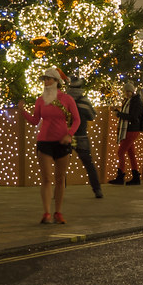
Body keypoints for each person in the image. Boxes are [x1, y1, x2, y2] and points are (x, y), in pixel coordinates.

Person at [20, 66, 79, 224]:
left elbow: (77, 119)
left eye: (49, 79)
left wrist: (69, 134)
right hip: (44, 141)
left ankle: (58, 212)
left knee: (60, 179)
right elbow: (34, 121)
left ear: (56, 81)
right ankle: (46, 212)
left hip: (62, 142)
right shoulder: (41, 100)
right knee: (46, 178)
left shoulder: (67, 99)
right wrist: (23, 111)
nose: (46, 82)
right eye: (44, 79)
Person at [67, 76, 102, 198]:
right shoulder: (84, 101)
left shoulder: (64, 100)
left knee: (62, 165)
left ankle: (59, 190)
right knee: (89, 164)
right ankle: (97, 189)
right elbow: (92, 116)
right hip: (81, 136)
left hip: (66, 136)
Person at [109, 81, 143, 185]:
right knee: (131, 153)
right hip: (129, 130)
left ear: (132, 91)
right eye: (125, 91)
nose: (126, 93)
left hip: (131, 130)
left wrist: (119, 114)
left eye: (128, 91)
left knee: (120, 152)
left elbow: (133, 117)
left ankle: (121, 176)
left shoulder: (135, 102)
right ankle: (135, 176)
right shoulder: (129, 101)